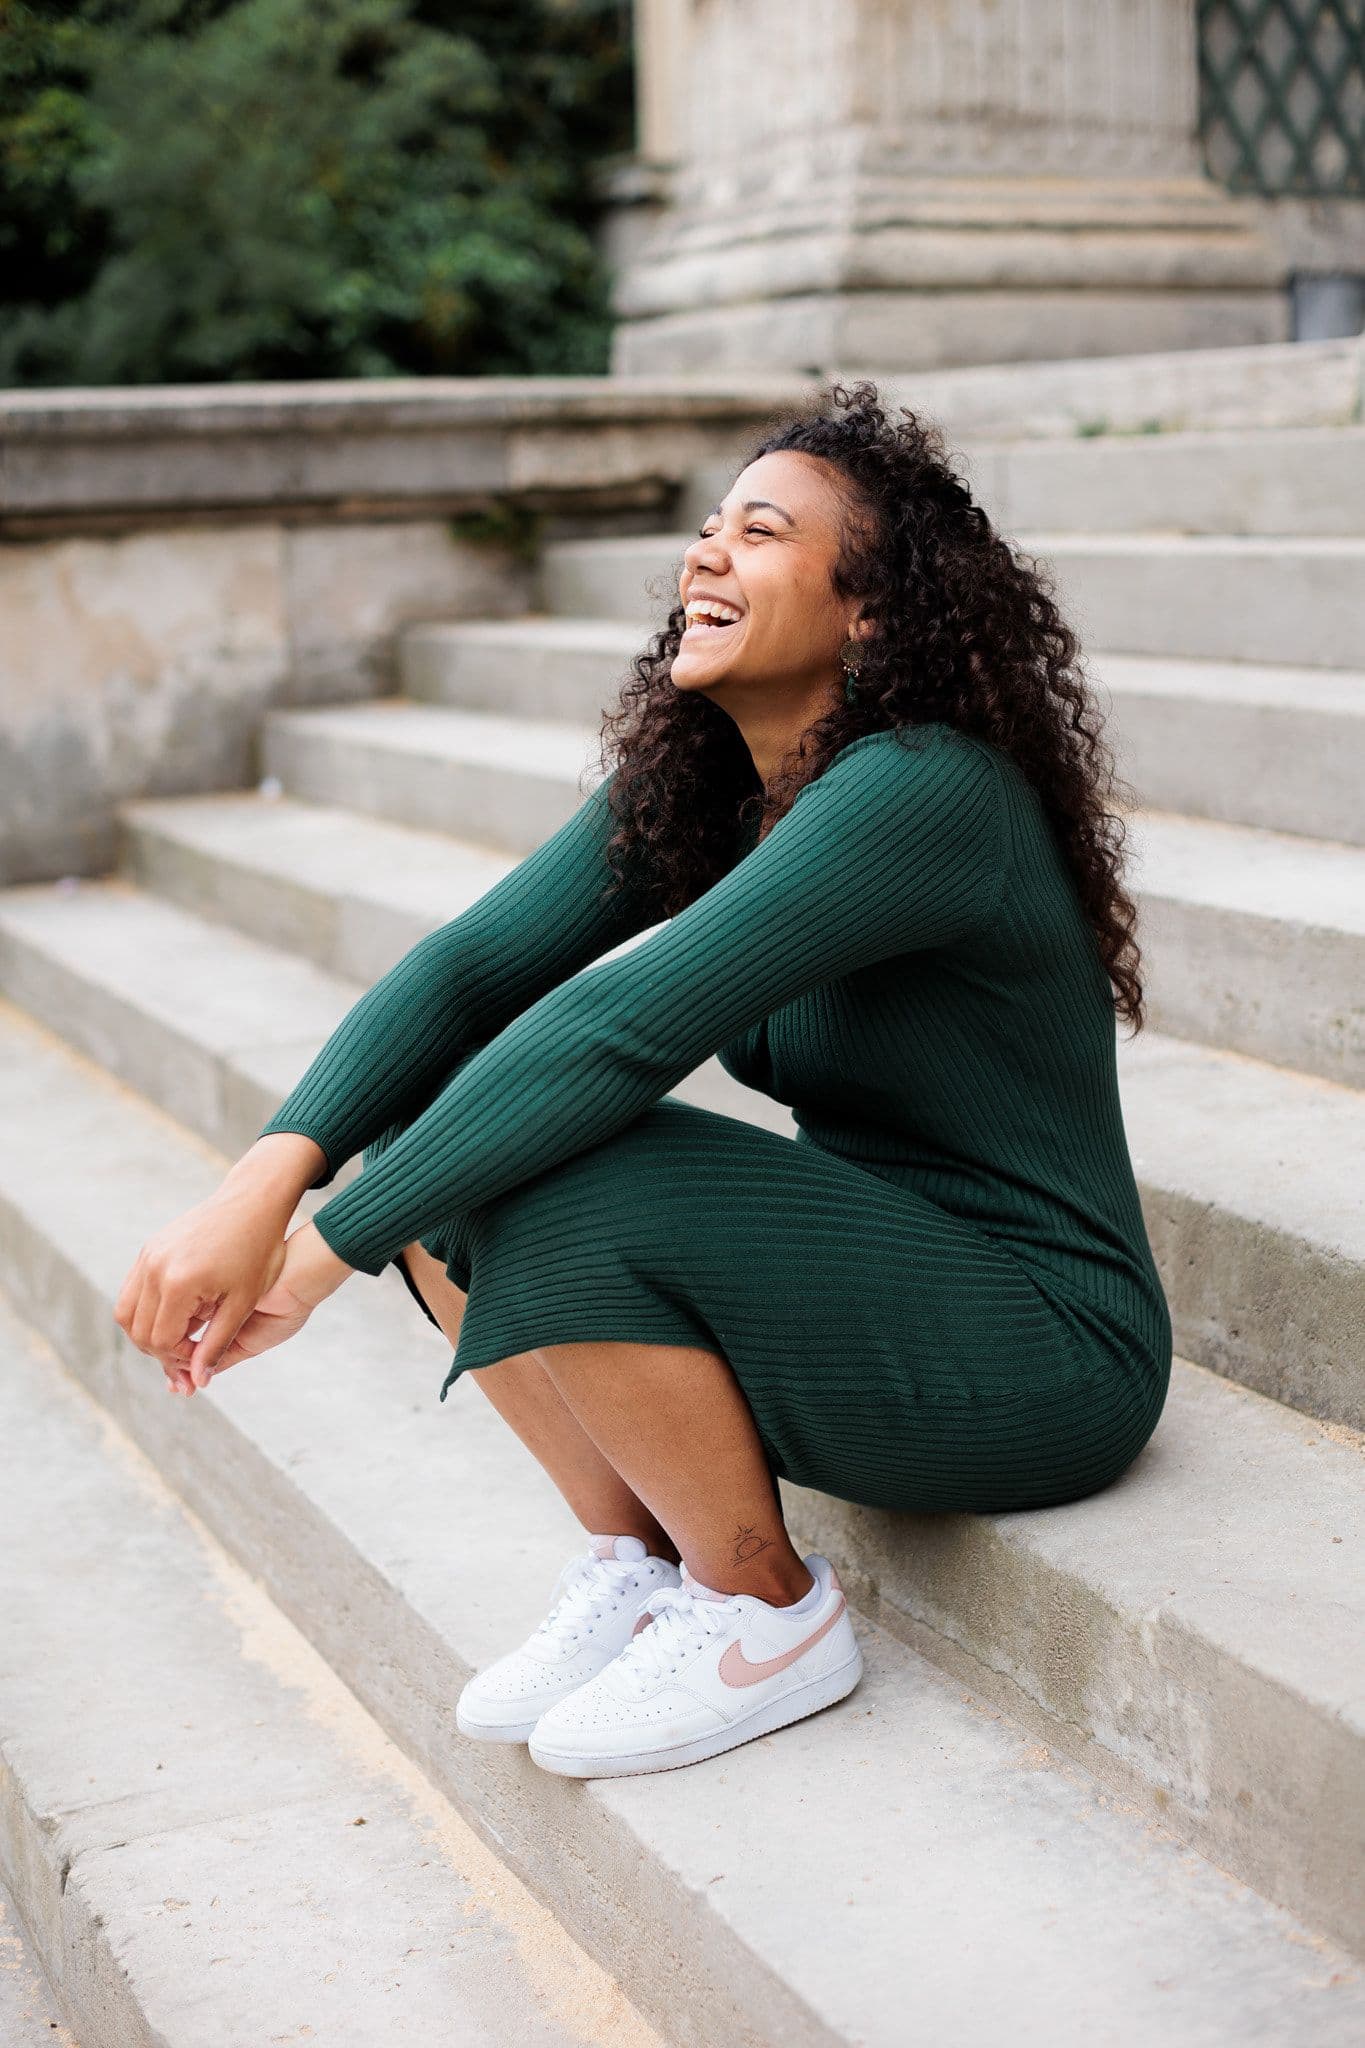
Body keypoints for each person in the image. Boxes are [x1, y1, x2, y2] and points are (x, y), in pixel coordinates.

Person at [112, 379, 1172, 1781]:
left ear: (871, 611)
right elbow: (468, 977)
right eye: (706, 527)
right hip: (877, 1278)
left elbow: (616, 1031)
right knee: (451, 1135)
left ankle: (764, 1612)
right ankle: (644, 1562)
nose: (706, 554)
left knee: (561, 1157)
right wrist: (269, 1174)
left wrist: (310, 1261)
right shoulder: (721, 785)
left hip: (1046, 1346)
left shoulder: (923, 790)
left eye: (761, 531)